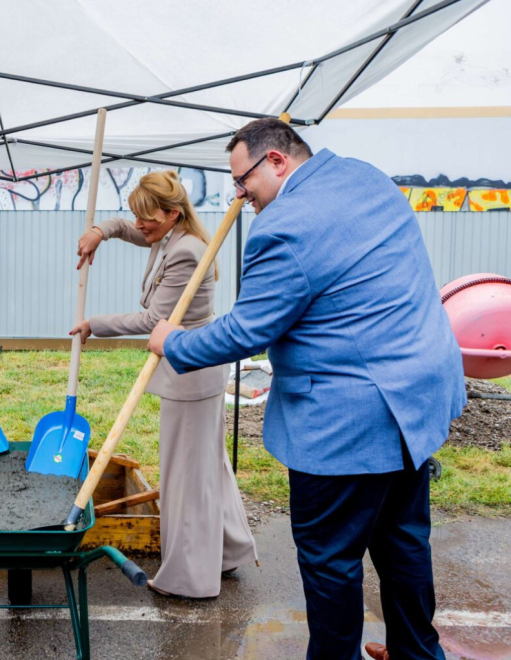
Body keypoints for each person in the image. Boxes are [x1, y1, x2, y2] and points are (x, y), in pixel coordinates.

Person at [148, 118, 465, 660]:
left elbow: (249, 329)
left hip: (348, 420)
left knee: (331, 562)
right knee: (403, 542)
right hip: (418, 397)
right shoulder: (367, 179)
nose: (239, 193)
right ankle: (418, 652)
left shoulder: (284, 225)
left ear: (277, 161)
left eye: (243, 179)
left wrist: (172, 341)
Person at [72, 170, 257, 599]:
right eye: (138, 218)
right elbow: (129, 228)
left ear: (172, 213)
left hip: (191, 372)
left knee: (187, 476)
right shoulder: (171, 234)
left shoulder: (187, 252)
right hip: (193, 371)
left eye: (148, 219)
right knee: (208, 466)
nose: (141, 227)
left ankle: (190, 579)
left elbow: (155, 322)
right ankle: (228, 551)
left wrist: (94, 325)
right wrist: (101, 230)